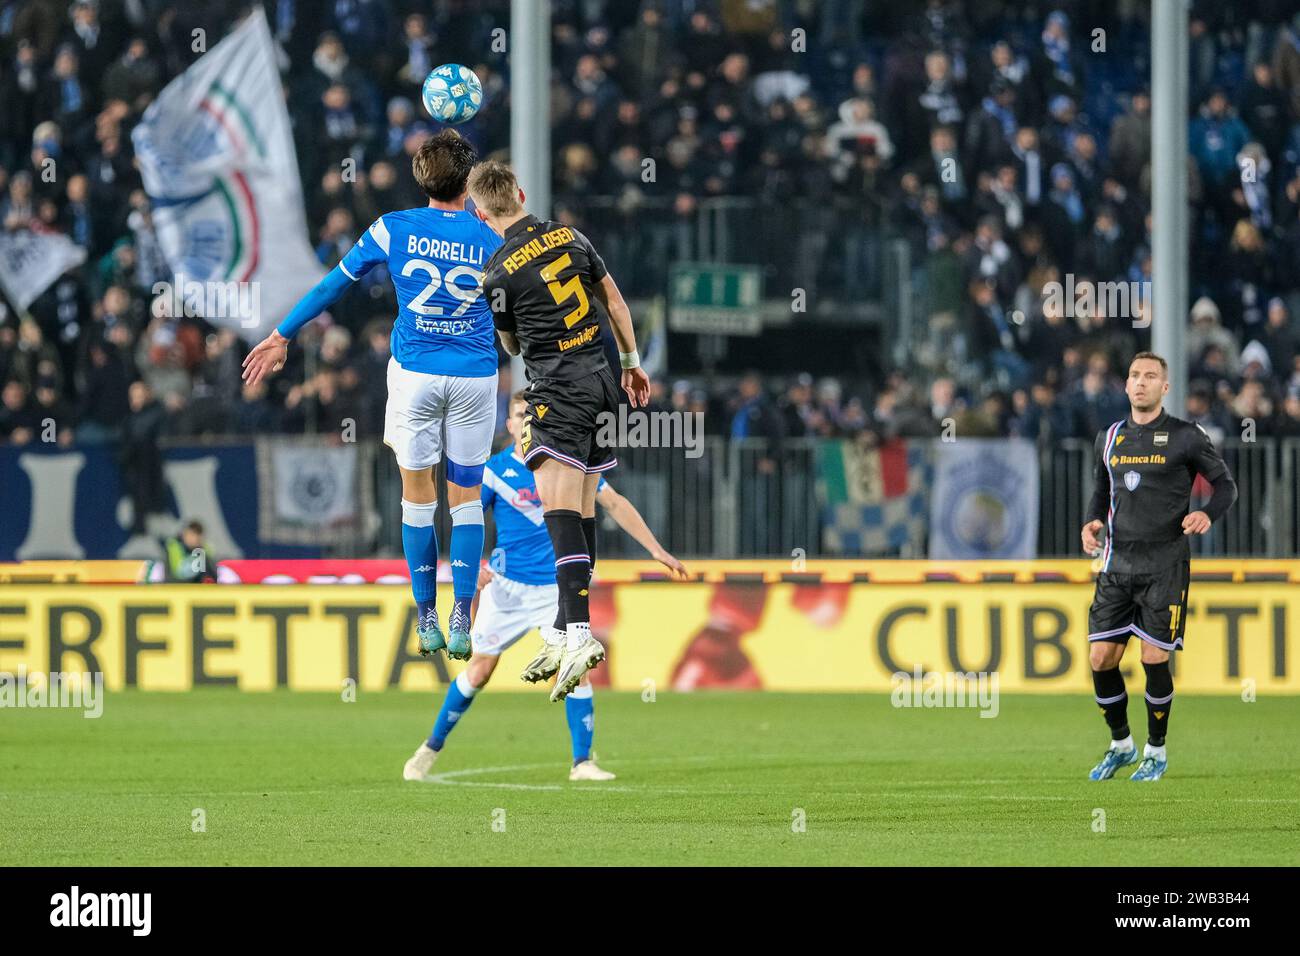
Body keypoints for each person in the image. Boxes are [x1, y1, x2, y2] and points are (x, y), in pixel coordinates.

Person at [242, 131, 502, 662]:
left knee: (417, 499)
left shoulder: (393, 228)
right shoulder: (492, 232)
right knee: (467, 500)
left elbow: (330, 287)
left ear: (420, 179)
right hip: (475, 373)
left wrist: (283, 334)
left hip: (415, 375)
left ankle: (426, 612)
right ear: (468, 180)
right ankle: (462, 612)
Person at [403, 391, 687, 783]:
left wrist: (657, 550)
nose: (525, 421)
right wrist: (469, 568)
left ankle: (582, 762)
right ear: (508, 423)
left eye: (531, 414)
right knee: (480, 670)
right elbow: (464, 518)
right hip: (507, 588)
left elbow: (615, 503)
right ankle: (430, 748)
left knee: (576, 670)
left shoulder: (565, 465)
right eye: (519, 414)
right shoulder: (493, 471)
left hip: (555, 590)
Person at [468, 159, 651, 701]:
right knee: (587, 504)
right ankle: (564, 627)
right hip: (603, 381)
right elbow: (613, 300)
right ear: (522, 193)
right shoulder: (571, 237)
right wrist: (632, 361)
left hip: (558, 392)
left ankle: (575, 632)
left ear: (480, 214)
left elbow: (513, 347)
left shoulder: (496, 274)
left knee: (559, 511)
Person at [1080, 352, 1237, 782]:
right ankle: (1121, 744)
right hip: (1115, 565)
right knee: (1100, 658)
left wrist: (1207, 513)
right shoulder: (1109, 437)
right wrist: (1092, 522)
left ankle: (1156, 751)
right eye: (1134, 375)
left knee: (1154, 658)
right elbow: (1101, 489)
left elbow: (1226, 485)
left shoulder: (1186, 437)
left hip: (1164, 567)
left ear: (1164, 387)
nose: (1141, 382)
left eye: (1150, 376)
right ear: (1126, 384)